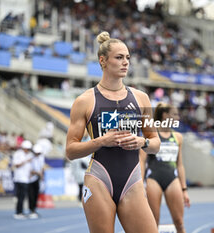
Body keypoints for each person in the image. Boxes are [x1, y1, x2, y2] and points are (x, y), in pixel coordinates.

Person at [66, 31, 161, 233]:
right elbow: (70, 150)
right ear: (103, 61)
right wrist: (101, 141)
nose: (125, 62)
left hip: (132, 180)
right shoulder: (85, 100)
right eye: (119, 57)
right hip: (99, 179)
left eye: (127, 57)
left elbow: (155, 143)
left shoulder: (141, 98)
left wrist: (141, 142)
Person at [140, 103, 190, 233]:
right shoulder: (151, 135)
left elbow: (180, 164)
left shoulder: (178, 137)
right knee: (153, 223)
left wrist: (184, 189)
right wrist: (140, 184)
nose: (178, 117)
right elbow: (142, 160)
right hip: (153, 179)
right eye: (174, 114)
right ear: (165, 115)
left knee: (179, 222)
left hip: (172, 179)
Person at [12, 140, 33, 219]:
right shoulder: (18, 154)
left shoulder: (30, 155)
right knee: (20, 196)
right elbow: (16, 165)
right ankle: (18, 212)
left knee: (23, 196)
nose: (27, 150)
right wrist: (26, 161)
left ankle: (21, 211)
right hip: (19, 178)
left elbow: (30, 166)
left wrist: (30, 174)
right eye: (26, 148)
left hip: (26, 178)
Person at [70, 130, 91, 203]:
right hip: (82, 171)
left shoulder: (90, 139)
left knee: (85, 186)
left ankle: (84, 198)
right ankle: (82, 198)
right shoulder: (79, 142)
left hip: (86, 166)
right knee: (82, 186)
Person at [28, 143, 45, 219]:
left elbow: (41, 167)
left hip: (37, 178)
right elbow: (29, 170)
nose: (38, 154)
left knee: (36, 194)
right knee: (31, 195)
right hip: (30, 179)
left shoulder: (41, 157)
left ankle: (34, 209)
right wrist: (38, 173)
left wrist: (41, 175)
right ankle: (31, 210)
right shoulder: (30, 158)